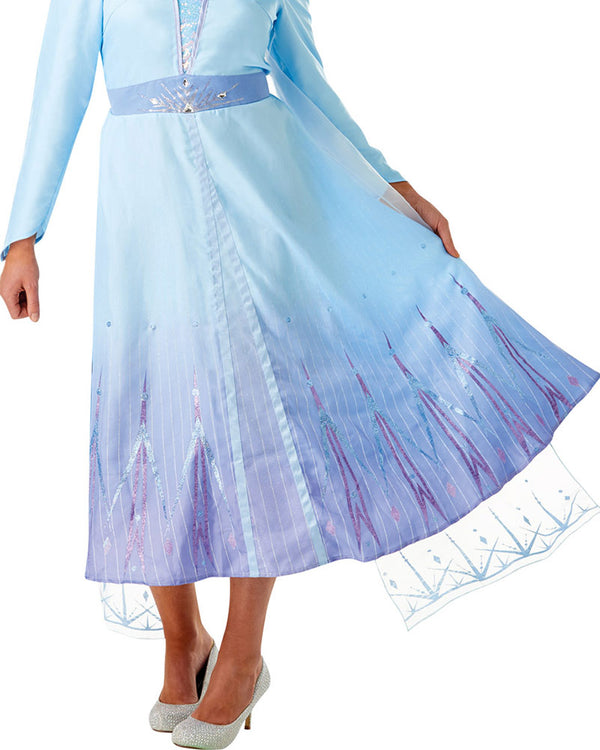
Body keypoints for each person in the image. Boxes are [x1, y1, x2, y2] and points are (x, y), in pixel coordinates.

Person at [1, 2, 598, 749]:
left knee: (260, 421)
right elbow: (57, 91)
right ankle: (183, 640)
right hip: (145, 216)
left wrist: (394, 186)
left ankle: (243, 656)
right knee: (149, 418)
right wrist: (22, 236)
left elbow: (309, 85)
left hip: (265, 209)